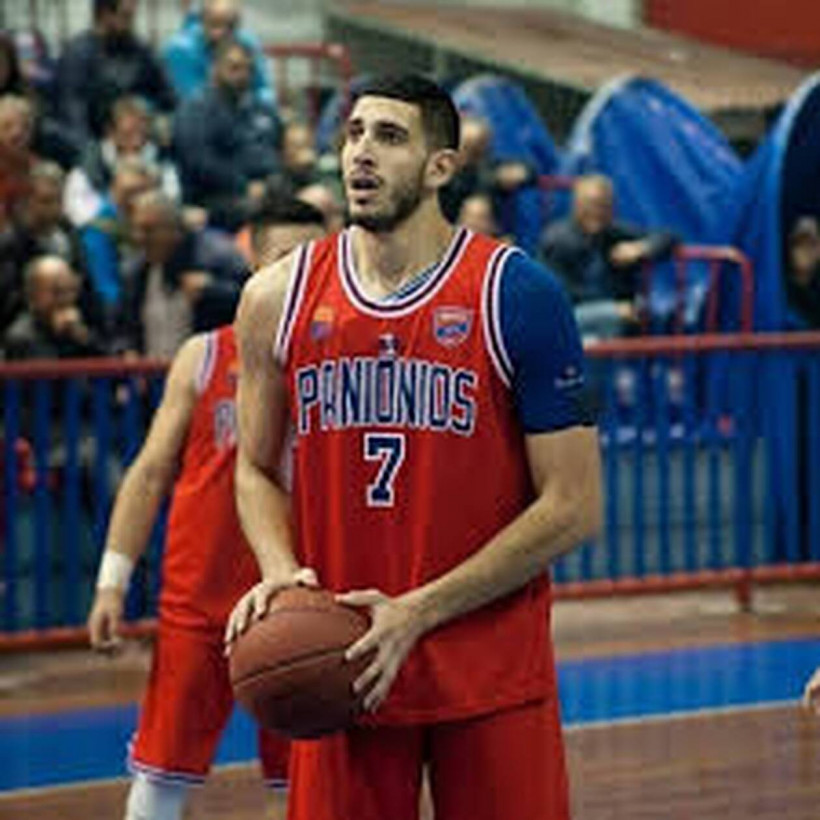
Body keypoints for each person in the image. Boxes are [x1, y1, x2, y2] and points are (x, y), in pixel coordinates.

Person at [225, 74, 601, 820]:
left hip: (489, 664)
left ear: (441, 167)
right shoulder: (275, 298)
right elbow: (255, 469)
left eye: (390, 137)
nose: (361, 153)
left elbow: (574, 505)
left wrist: (420, 610)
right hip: (345, 667)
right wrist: (280, 572)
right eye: (354, 134)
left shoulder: (516, 295)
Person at [86, 325, 290, 820]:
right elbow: (150, 471)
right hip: (201, 593)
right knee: (160, 777)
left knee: (299, 785)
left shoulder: (336, 348)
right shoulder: (206, 354)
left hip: (297, 596)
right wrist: (112, 583)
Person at [540, 173, 678, 340]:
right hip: (572, 317)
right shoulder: (556, 240)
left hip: (615, 317)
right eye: (590, 204)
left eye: (604, 205)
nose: (597, 211)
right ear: (576, 205)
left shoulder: (614, 232)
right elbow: (561, 295)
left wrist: (640, 248)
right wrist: (614, 309)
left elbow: (669, 238)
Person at [119, 190, 251, 356]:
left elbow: (250, 305)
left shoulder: (219, 258)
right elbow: (120, 330)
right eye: (136, 229)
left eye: (149, 230)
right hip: (151, 369)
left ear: (175, 229)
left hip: (206, 367)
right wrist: (128, 350)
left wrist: (214, 291)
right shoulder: (134, 272)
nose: (139, 238)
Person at [172, 37, 281, 231]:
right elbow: (200, 162)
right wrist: (244, 185)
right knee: (261, 211)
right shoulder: (196, 110)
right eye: (234, 68)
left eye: (248, 69)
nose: (243, 75)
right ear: (214, 69)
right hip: (213, 198)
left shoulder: (260, 109)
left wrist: (272, 178)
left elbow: (274, 148)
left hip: (264, 189)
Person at [55, 0, 176, 142]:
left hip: (138, 141)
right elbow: (73, 118)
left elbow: (169, 98)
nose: (131, 24)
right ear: (105, 15)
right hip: (96, 143)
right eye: (126, 16)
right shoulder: (78, 55)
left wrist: (158, 121)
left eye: (132, 17)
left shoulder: (140, 50)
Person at [64, 96, 180, 227]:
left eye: (143, 134)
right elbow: (80, 215)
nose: (137, 143)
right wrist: (114, 200)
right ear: (110, 132)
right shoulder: (89, 164)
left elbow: (173, 200)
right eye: (128, 134)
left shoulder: (161, 158)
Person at [162, 0, 275, 106]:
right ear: (202, 20)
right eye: (214, 24)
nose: (221, 32)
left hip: (243, 111)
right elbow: (192, 100)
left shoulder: (246, 42)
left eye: (229, 26)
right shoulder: (180, 50)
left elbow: (263, 89)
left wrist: (259, 108)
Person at [2, 255, 101, 360]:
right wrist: (57, 337)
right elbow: (47, 367)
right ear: (33, 295)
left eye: (70, 290)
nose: (65, 299)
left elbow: (105, 361)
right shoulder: (20, 337)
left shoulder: (81, 325)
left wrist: (83, 337)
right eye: (57, 292)